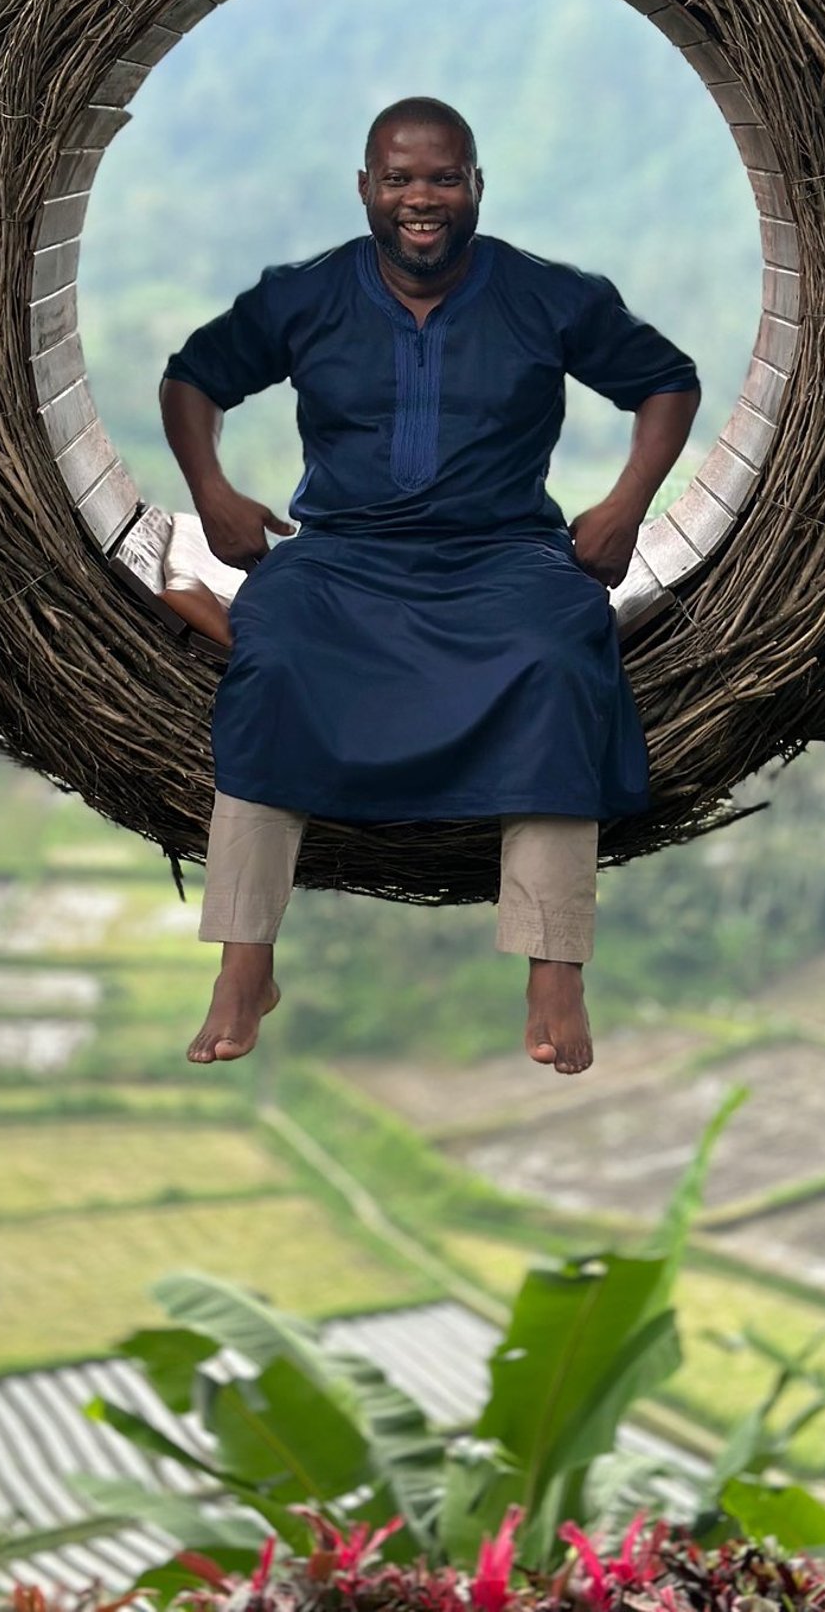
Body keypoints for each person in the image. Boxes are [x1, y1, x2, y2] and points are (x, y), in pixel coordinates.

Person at [159, 97, 700, 1077]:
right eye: (400, 178)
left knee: (556, 655)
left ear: (477, 187)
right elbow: (192, 378)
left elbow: (666, 381)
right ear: (365, 188)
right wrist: (214, 490)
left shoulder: (549, 297)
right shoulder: (307, 295)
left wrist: (623, 505)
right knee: (271, 648)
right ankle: (245, 961)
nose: (422, 199)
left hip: (504, 559)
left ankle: (553, 961)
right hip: (343, 558)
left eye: (444, 178)